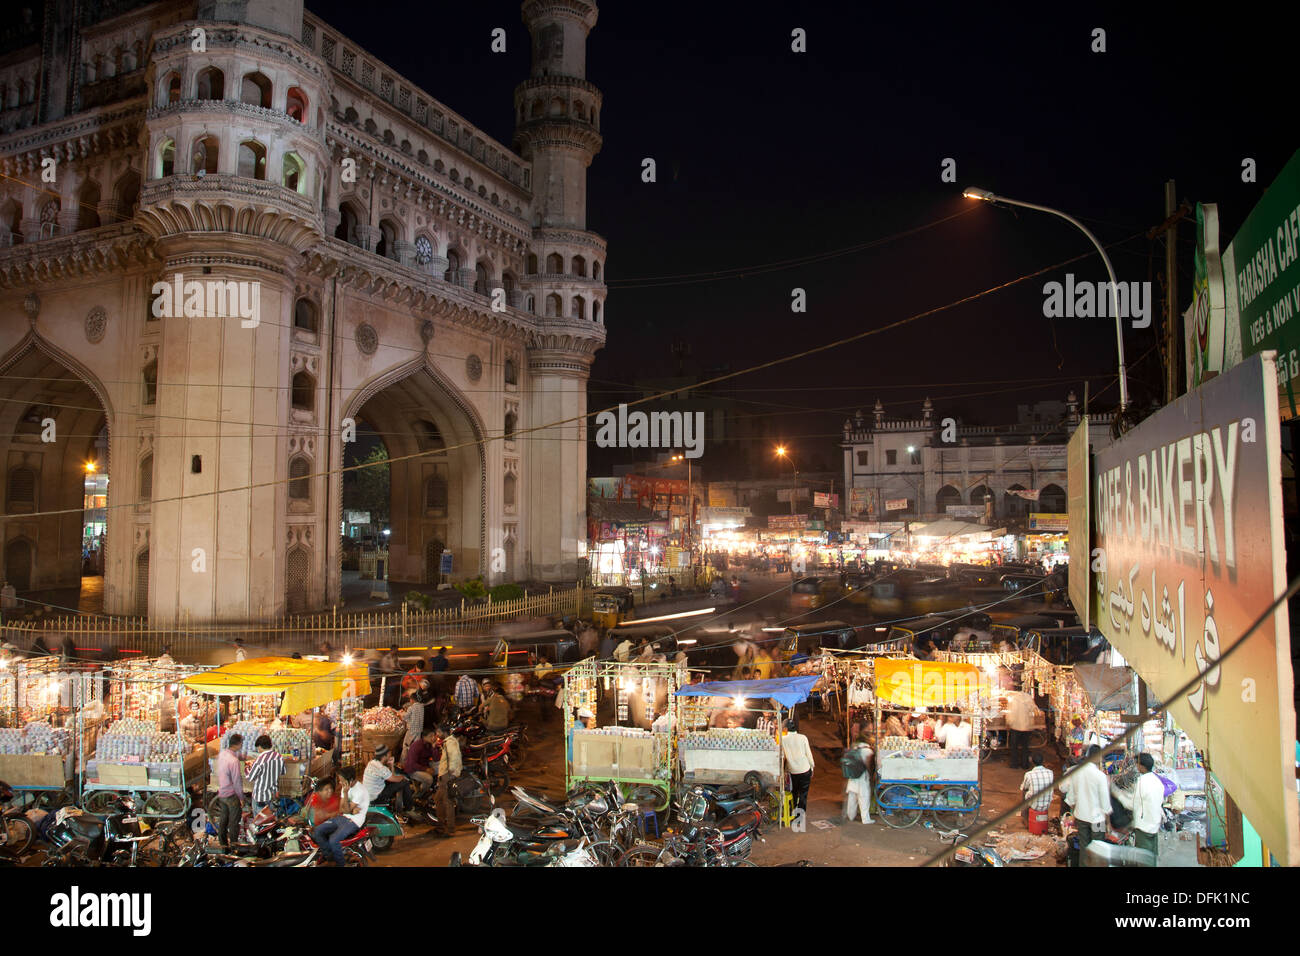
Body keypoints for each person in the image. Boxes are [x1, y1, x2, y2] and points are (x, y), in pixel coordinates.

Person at [313, 767, 369, 867]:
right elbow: (341, 809)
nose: (340, 783)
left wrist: (346, 794)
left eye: (342, 780)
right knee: (318, 831)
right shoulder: (345, 786)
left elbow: (346, 809)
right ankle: (330, 858)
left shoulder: (360, 791)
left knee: (333, 840)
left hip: (354, 821)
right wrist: (351, 809)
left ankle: (341, 864)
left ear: (350, 780)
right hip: (343, 817)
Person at [1061, 745, 1112, 851]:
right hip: (1098, 820)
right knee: (1098, 850)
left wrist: (1075, 815)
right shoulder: (1100, 776)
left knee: (1084, 848)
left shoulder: (1077, 772)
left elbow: (1071, 798)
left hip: (1081, 817)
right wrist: (1108, 821)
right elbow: (1105, 803)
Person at [1116, 752, 1165, 857]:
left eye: (1137, 764)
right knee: (1152, 857)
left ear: (1142, 766)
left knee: (1143, 858)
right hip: (1154, 824)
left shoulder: (1142, 781)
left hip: (1144, 827)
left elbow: (1132, 805)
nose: (1136, 767)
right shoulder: (1157, 781)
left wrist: (1117, 794)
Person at [213, 733, 245, 852]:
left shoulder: (222, 754)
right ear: (238, 744)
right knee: (234, 822)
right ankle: (234, 847)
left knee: (223, 820)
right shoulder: (234, 761)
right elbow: (237, 781)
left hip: (222, 792)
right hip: (231, 795)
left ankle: (223, 846)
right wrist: (241, 797)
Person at [363, 744, 413, 816]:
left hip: (370, 794)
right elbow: (394, 779)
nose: (390, 754)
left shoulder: (372, 763)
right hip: (376, 797)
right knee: (405, 782)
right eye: (388, 753)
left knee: (395, 781)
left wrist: (391, 765)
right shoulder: (380, 768)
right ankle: (409, 808)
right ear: (384, 756)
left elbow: (391, 776)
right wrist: (402, 777)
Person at [433, 725, 462, 836]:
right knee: (438, 799)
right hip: (444, 775)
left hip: (447, 776)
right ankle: (441, 825)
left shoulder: (450, 742)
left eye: (438, 732)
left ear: (443, 732)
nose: (437, 734)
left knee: (447, 802)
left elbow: (454, 758)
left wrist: (450, 773)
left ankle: (450, 829)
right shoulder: (447, 742)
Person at [247, 734, 285, 815]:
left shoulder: (259, 760)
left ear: (260, 747)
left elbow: (250, 778)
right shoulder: (279, 757)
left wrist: (247, 767)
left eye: (258, 748)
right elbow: (282, 772)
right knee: (271, 818)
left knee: (260, 820)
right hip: (273, 794)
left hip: (261, 796)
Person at [782, 727, 815, 813]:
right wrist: (812, 766)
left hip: (792, 771)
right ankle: (800, 817)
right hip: (804, 769)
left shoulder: (783, 739)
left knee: (794, 793)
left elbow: (783, 756)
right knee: (803, 795)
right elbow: (808, 754)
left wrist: (785, 770)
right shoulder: (803, 737)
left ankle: (791, 813)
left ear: (786, 729)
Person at [1003, 689, 1039, 769]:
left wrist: (1008, 722)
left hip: (1016, 727)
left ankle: (1014, 764)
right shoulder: (1028, 697)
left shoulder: (1013, 699)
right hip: (1026, 727)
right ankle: (1025, 764)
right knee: (1025, 747)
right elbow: (1034, 709)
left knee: (1014, 747)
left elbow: (1011, 713)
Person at [842, 734, 874, 824]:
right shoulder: (868, 751)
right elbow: (868, 764)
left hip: (852, 777)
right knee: (864, 797)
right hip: (862, 777)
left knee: (852, 797)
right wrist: (871, 775)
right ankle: (865, 819)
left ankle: (850, 816)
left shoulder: (854, 748)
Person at [1019, 753, 1054, 826]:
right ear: (1043, 761)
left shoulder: (1029, 774)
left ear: (1031, 761)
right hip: (1047, 804)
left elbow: (1023, 787)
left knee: (1024, 791)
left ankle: (1025, 819)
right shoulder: (1050, 772)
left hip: (1034, 804)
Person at [404, 727, 439, 793]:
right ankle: (420, 793)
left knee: (441, 765)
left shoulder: (430, 744)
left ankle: (433, 786)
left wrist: (434, 748)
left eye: (434, 735)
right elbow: (412, 764)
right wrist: (426, 769)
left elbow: (436, 759)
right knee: (429, 779)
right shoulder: (417, 745)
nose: (433, 738)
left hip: (424, 765)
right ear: (424, 737)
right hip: (412, 769)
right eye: (430, 736)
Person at [401, 690, 425, 756]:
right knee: (416, 747)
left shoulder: (411, 708)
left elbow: (405, 717)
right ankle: (414, 760)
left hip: (411, 730)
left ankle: (404, 762)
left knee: (406, 746)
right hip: (419, 730)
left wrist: (401, 714)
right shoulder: (421, 707)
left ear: (412, 700)